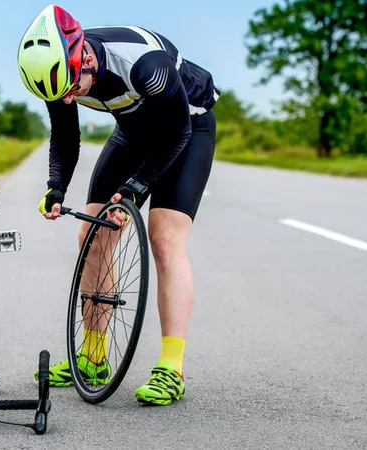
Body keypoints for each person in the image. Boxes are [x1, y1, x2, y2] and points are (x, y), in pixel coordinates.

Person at [18, 4, 218, 406]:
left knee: (163, 239)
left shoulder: (145, 64)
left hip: (186, 129)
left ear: (86, 57)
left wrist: (136, 189)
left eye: (74, 87)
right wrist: (56, 187)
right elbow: (65, 137)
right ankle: (93, 359)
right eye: (61, 94)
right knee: (93, 235)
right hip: (133, 130)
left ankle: (171, 369)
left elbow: (175, 132)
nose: (69, 97)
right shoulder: (60, 72)